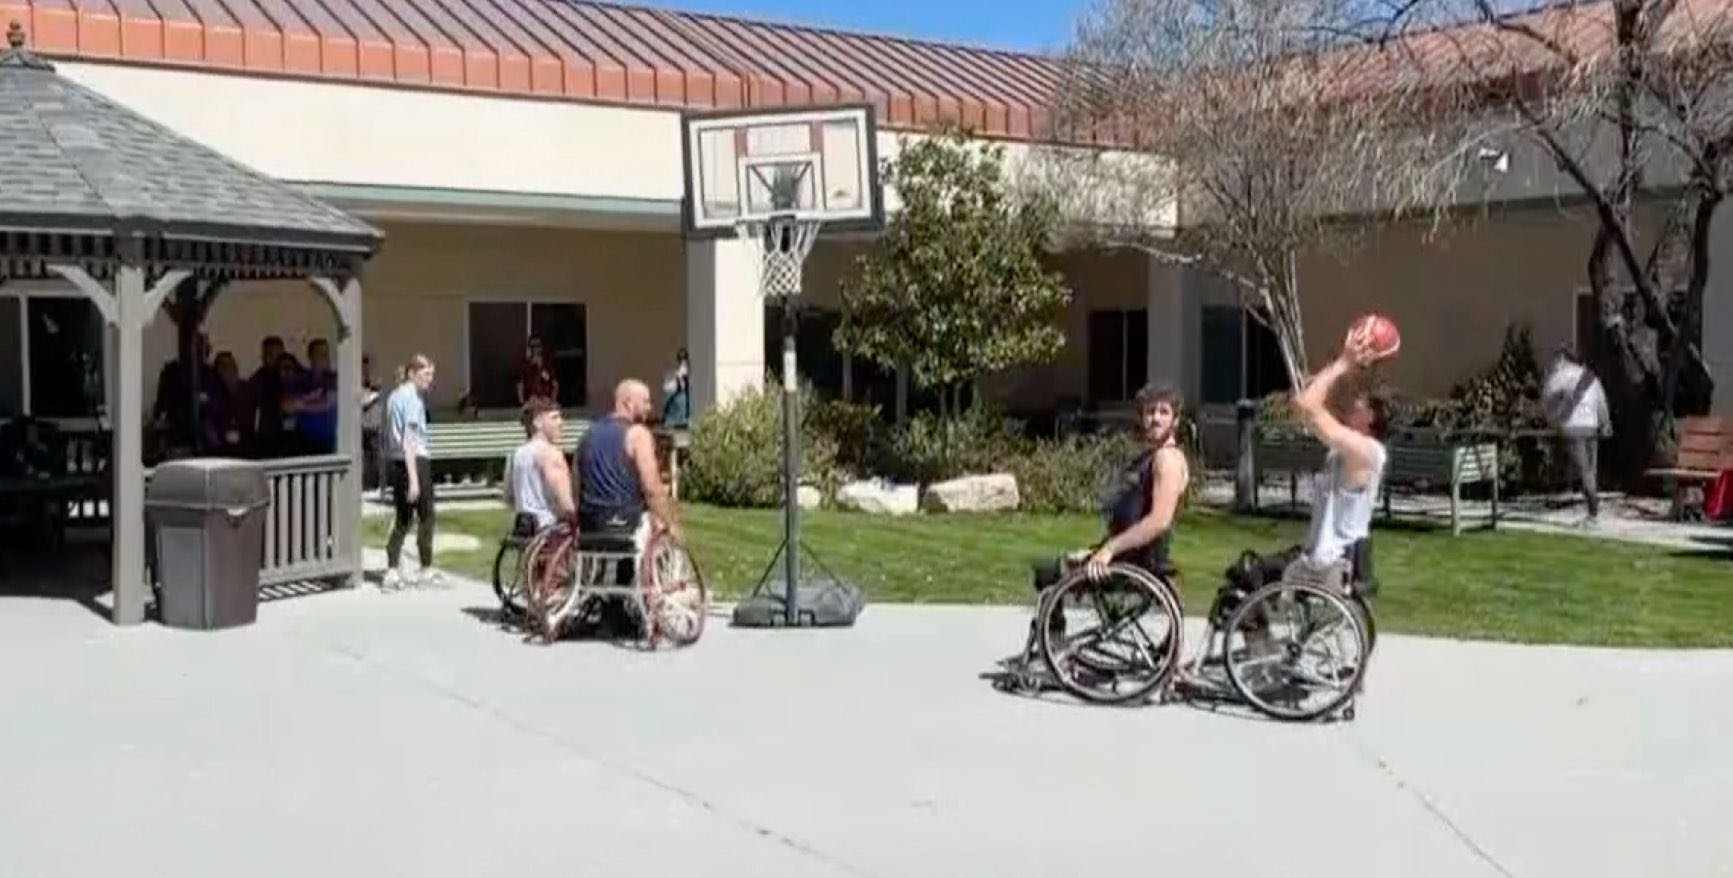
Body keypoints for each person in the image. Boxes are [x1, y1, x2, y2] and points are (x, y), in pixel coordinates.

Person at [574, 379, 681, 547]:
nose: (649, 408)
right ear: (628, 403)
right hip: (626, 521)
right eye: (645, 402)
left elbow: (577, 483)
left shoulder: (588, 434)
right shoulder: (637, 435)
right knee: (660, 525)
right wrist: (669, 523)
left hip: (590, 523)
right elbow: (652, 488)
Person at [382, 355, 439, 590]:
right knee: (427, 516)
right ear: (412, 373)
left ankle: (392, 569)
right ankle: (425, 568)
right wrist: (414, 478)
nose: (430, 380)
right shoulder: (413, 400)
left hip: (396, 462)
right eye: (426, 374)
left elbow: (388, 435)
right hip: (414, 460)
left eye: (431, 375)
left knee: (402, 518)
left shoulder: (393, 397)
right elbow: (410, 439)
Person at [1541, 346, 1611, 525]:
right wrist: (1604, 423)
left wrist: (1554, 421)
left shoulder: (1558, 376)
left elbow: (1547, 401)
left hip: (1573, 427)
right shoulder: (1588, 375)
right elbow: (1600, 399)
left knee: (1583, 470)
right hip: (1591, 425)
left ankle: (1593, 511)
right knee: (1590, 469)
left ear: (1562, 359)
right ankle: (1593, 509)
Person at [505, 396, 576, 534]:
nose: (561, 423)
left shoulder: (516, 455)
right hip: (550, 530)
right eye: (554, 418)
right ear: (538, 422)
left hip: (526, 530)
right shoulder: (551, 454)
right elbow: (566, 503)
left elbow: (508, 497)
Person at [516, 336, 559, 406]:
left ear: (541, 348)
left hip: (546, 398)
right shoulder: (525, 365)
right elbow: (520, 384)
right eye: (533, 347)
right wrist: (522, 402)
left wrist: (553, 400)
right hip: (532, 398)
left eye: (537, 346)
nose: (535, 349)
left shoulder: (547, 364)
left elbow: (555, 384)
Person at [660, 348, 691, 428]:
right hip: (675, 405)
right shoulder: (672, 373)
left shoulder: (690, 372)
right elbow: (667, 388)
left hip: (687, 405)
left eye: (684, 359)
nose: (682, 362)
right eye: (680, 359)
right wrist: (678, 377)